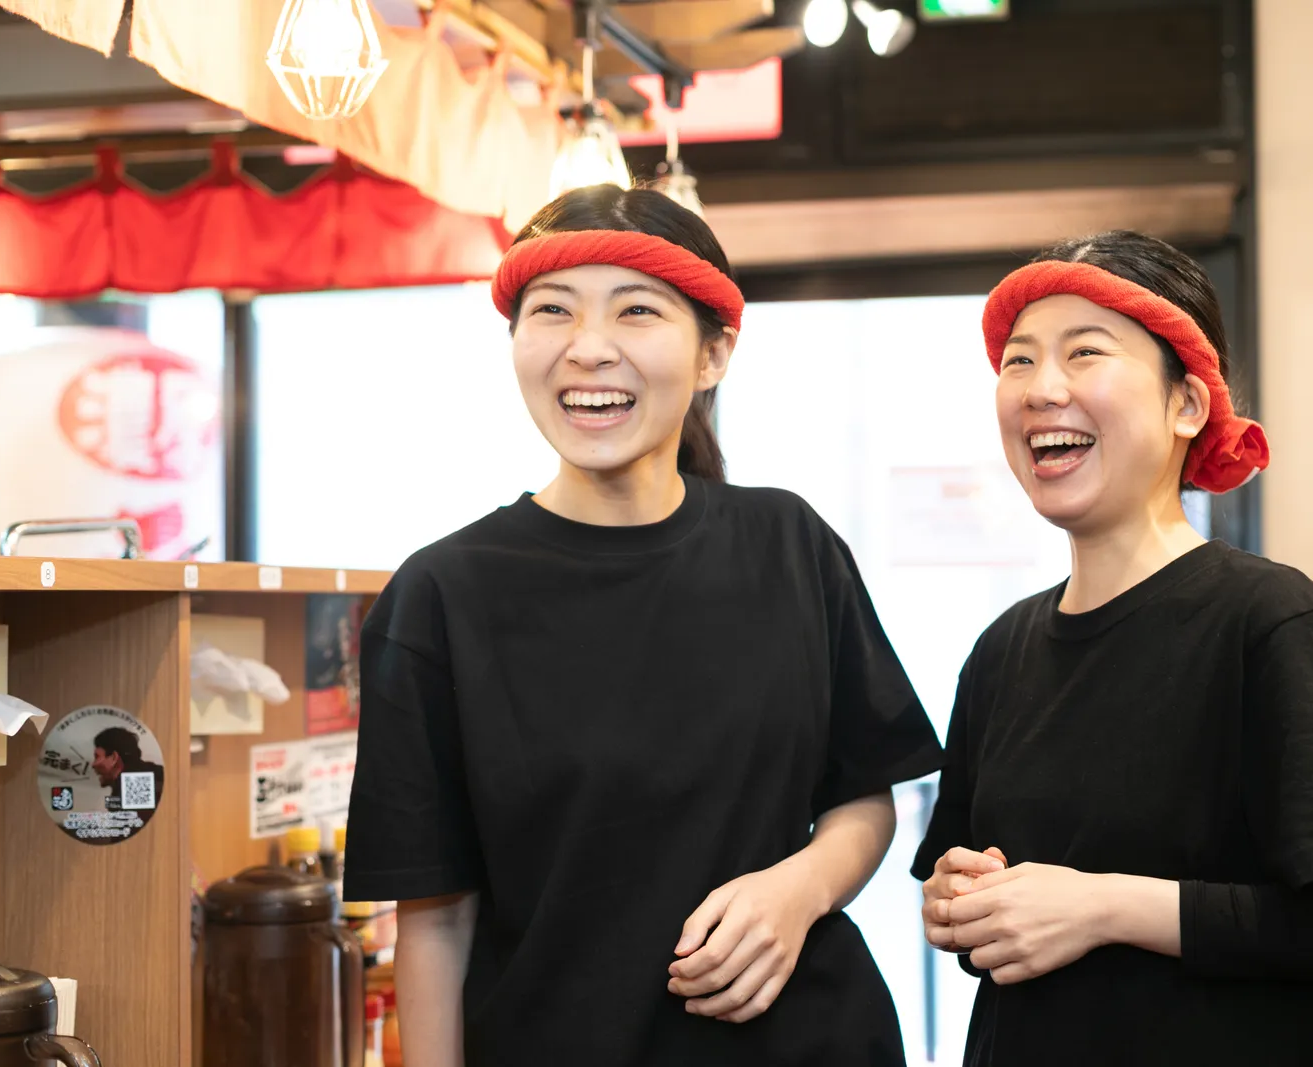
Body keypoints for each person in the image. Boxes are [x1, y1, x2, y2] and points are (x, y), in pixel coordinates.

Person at [344, 185, 943, 1067]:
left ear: (713, 354)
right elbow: (436, 918)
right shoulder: (440, 596)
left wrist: (799, 889)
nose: (590, 349)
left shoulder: (790, 544)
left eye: (636, 311)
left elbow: (864, 794)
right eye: (553, 311)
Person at [913, 231, 1313, 1067]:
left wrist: (1103, 907)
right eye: (1020, 361)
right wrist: (957, 902)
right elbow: (969, 896)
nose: (1043, 388)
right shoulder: (1001, 649)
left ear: (1188, 403)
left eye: (1085, 352)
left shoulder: (1273, 622)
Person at [92, 725, 164, 810]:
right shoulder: (151, 775)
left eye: (97, 757)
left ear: (114, 757)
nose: (93, 764)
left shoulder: (134, 788)